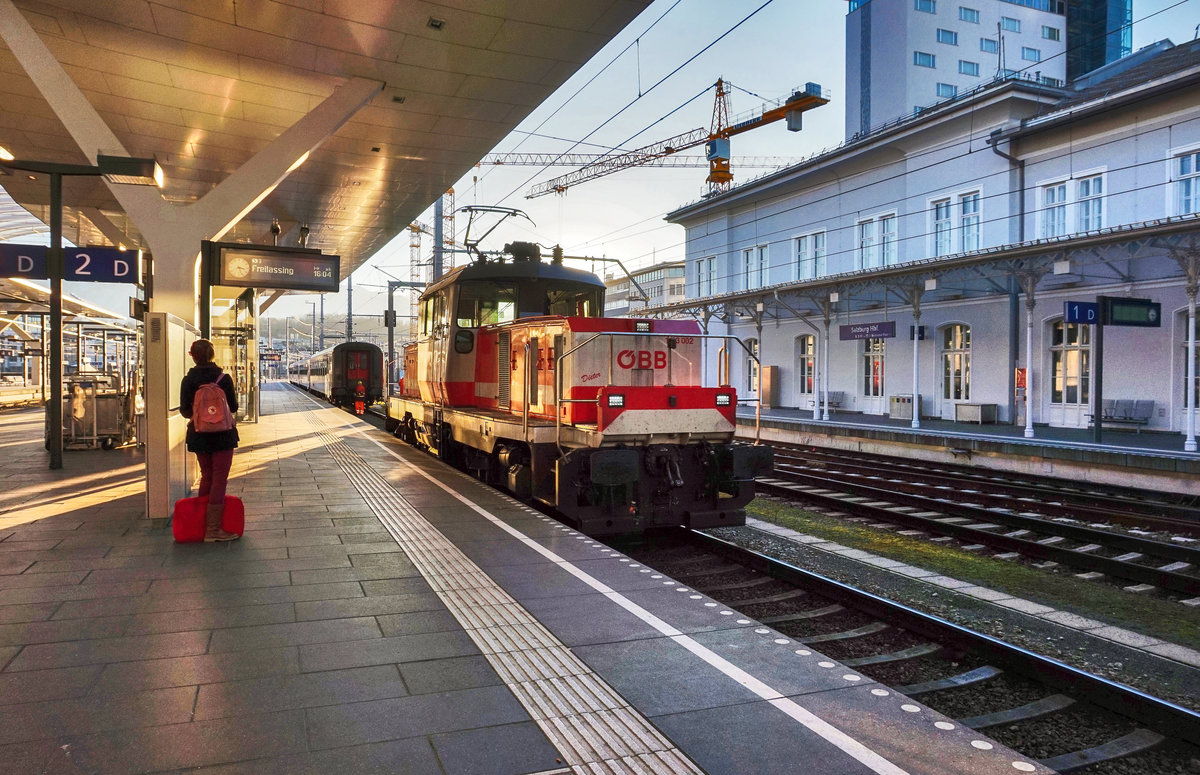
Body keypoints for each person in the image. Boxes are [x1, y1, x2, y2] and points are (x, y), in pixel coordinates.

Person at [179, 339, 240, 542]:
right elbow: (233, 407)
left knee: (207, 476)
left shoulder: (188, 380)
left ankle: (201, 524)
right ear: (213, 355)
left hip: (199, 435)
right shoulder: (224, 378)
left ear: (193, 356)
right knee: (219, 478)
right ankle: (213, 530)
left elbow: (185, 411)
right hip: (223, 435)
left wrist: (201, 416)